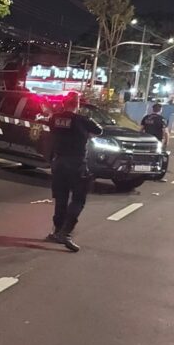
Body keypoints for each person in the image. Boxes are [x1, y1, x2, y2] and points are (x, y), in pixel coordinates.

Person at [46, 93, 103, 252]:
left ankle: (57, 231)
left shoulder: (55, 118)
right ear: (77, 104)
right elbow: (99, 130)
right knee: (78, 198)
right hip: (76, 164)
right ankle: (66, 232)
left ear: (64, 103)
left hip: (58, 163)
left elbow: (52, 128)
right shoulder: (82, 120)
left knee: (61, 198)